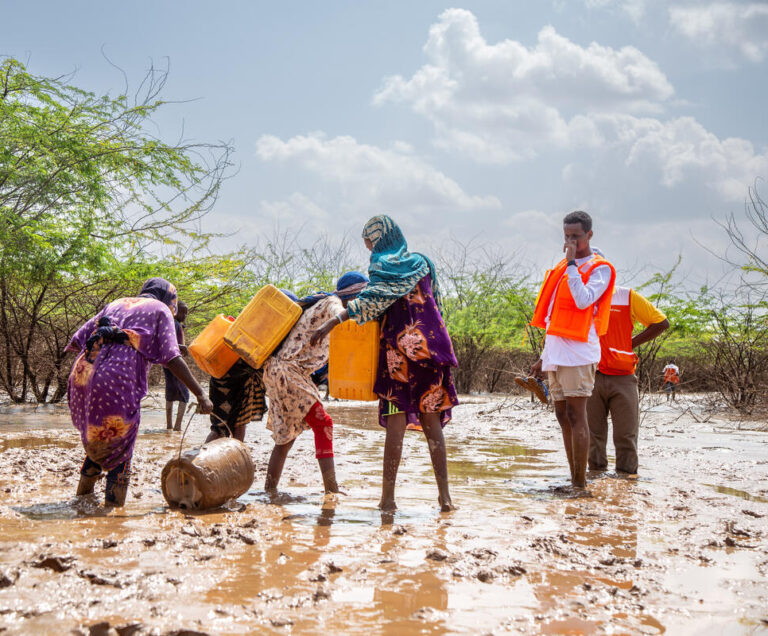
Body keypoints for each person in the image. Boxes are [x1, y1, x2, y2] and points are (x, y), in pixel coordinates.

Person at [311, 216, 459, 513]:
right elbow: (437, 305)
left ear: (379, 239)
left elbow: (370, 302)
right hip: (430, 353)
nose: (370, 250)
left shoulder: (383, 268)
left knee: (395, 423)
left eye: (369, 244)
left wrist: (331, 323)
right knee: (432, 424)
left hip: (398, 357)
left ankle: (388, 499)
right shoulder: (423, 263)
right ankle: (445, 499)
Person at [67, 278, 213, 506]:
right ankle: (114, 512)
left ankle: (81, 501)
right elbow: (171, 359)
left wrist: (117, 346)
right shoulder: (160, 309)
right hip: (117, 377)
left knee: (100, 435)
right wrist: (200, 394)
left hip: (84, 372)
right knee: (121, 441)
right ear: (170, 299)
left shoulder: (117, 303)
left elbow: (79, 339)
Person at [530, 211, 615, 490]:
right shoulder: (561, 269)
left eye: (576, 236)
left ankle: (580, 485)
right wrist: (544, 357)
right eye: (567, 236)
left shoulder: (600, 268)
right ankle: (573, 478)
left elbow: (583, 300)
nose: (570, 241)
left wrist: (570, 264)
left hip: (579, 352)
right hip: (556, 352)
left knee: (577, 416)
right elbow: (554, 317)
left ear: (589, 235)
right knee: (562, 415)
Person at [263, 273, 369, 496]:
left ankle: (269, 491)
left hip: (278, 372)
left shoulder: (326, 307)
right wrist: (338, 319)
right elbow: (339, 313)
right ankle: (331, 489)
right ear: (353, 295)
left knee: (286, 439)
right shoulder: (332, 303)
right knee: (323, 423)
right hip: (288, 372)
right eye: (361, 297)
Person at [587, 285, 669, 475]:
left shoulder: (626, 296)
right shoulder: (582, 296)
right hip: (590, 374)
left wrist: (628, 343)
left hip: (623, 377)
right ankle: (595, 480)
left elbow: (661, 323)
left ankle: (628, 482)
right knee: (593, 437)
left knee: (626, 436)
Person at [205, 359, 267, 443]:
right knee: (226, 427)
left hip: (223, 380)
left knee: (227, 425)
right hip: (236, 382)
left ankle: (233, 449)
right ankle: (208, 450)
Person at [164, 300, 190, 431]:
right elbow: (168, 342)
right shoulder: (174, 324)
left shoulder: (174, 324)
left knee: (170, 392)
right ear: (174, 311)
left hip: (167, 363)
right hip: (175, 363)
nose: (184, 315)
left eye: (186, 313)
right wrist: (181, 347)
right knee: (184, 394)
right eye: (182, 312)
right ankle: (177, 427)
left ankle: (169, 426)